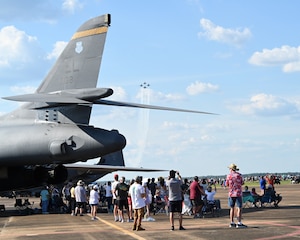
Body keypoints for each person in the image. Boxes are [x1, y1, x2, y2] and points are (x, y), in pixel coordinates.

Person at [226, 163, 247, 228]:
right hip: (238, 193)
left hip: (231, 193)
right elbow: (242, 183)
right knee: (239, 208)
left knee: (232, 208)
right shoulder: (239, 175)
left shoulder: (228, 176)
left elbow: (227, 184)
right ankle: (239, 222)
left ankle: (232, 222)